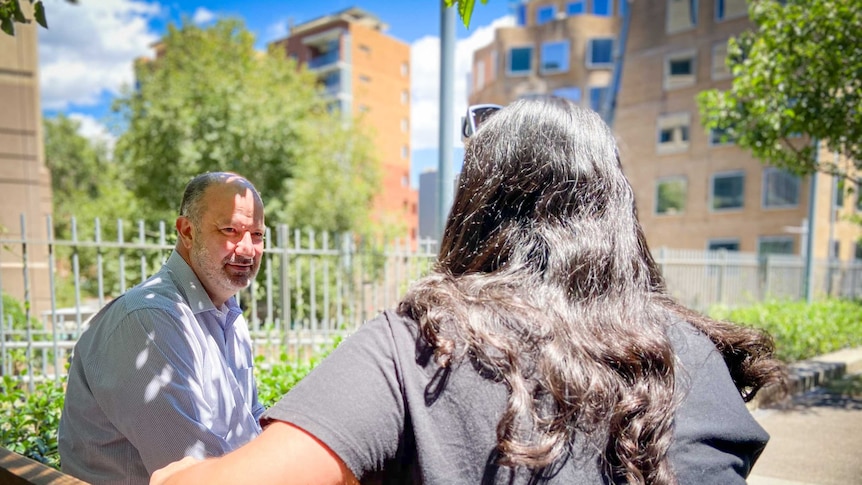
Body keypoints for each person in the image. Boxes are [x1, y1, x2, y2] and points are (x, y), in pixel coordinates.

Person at [151, 98, 786, 485]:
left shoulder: (419, 348)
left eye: (254, 233)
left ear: (478, 205)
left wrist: (182, 474)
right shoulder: (697, 358)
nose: (247, 248)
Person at [60, 171, 268, 485]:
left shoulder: (227, 313)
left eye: (257, 235)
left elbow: (248, 427)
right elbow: (195, 474)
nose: (247, 248)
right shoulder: (150, 320)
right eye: (231, 230)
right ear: (187, 231)